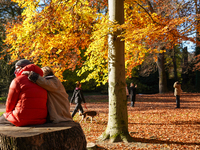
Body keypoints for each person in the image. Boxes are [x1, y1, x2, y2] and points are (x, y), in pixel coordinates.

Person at [0, 59, 47, 126]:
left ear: (22, 68)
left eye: (16, 69)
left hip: (21, 118)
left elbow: (10, 103)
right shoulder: (42, 81)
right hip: (41, 119)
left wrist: (7, 113)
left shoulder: (17, 81)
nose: (15, 72)